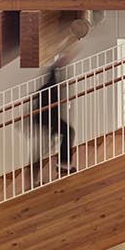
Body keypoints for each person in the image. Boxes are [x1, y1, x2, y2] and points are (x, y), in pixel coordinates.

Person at [30, 38, 76, 179]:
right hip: (45, 116)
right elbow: (55, 66)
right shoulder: (51, 73)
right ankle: (59, 165)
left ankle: (62, 164)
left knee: (63, 135)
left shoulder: (54, 75)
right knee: (61, 136)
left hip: (50, 116)